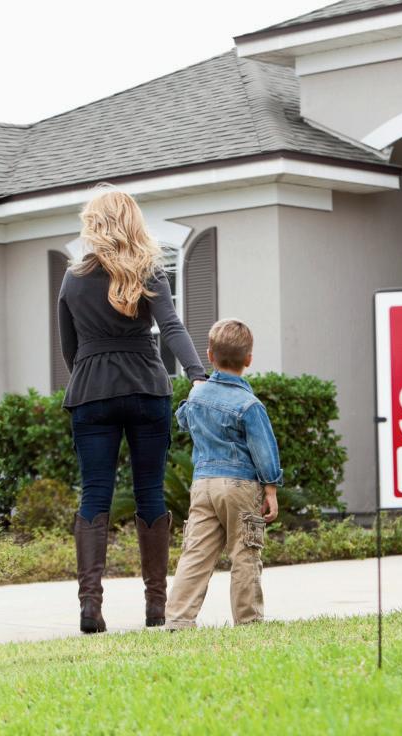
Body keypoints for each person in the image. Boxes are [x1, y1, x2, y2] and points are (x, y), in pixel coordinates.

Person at [58, 185, 207, 634]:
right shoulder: (149, 271)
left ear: (93, 224)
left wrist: (91, 374)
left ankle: (90, 606)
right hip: (146, 386)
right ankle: (156, 607)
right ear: (133, 222)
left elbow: (69, 347)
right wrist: (197, 374)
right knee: (150, 492)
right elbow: (172, 327)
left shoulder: (73, 278)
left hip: (91, 391)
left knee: (94, 493)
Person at [164, 319, 282, 631]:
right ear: (249, 359)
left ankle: (178, 618)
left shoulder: (197, 396)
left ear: (210, 356)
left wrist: (196, 392)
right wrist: (270, 490)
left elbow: (184, 420)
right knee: (245, 552)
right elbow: (264, 451)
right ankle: (248, 620)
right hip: (240, 485)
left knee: (196, 552)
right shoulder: (250, 405)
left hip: (203, 485)